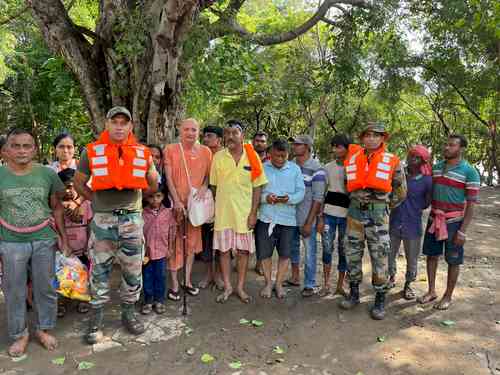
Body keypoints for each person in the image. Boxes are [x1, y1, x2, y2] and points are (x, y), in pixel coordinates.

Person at [74, 106, 158, 344]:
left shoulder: (143, 153)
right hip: (103, 220)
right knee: (99, 270)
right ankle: (96, 319)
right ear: (107, 125)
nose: (119, 127)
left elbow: (153, 184)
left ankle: (128, 314)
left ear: (130, 126)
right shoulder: (90, 152)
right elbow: (79, 182)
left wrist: (139, 194)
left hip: (131, 219)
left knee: (133, 269)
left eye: (124, 122)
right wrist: (95, 200)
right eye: (115, 122)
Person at [0, 128, 71, 357]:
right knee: (14, 290)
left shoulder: (47, 174)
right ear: (7, 150)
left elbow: (57, 207)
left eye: (26, 146)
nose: (21, 150)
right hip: (10, 241)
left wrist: (64, 238)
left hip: (43, 239)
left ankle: (43, 329)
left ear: (35, 149)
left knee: (45, 288)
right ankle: (20, 334)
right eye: (16, 146)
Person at [339, 122, 407, 320]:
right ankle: (354, 294)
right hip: (354, 215)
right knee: (351, 253)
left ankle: (379, 300)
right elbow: (347, 184)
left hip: (378, 217)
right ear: (362, 138)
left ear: (382, 138)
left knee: (380, 258)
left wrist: (383, 205)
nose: (371, 139)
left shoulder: (393, 161)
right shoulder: (352, 159)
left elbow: (401, 192)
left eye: (375, 135)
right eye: (367, 135)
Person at [417, 135, 479, 310]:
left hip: (454, 222)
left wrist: (463, 231)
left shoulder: (470, 171)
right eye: (445, 144)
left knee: (453, 260)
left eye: (451, 145)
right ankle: (431, 291)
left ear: (461, 149)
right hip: (433, 219)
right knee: (431, 255)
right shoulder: (436, 168)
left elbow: (471, 204)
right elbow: (428, 192)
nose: (446, 147)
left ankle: (447, 296)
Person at [210, 120, 267, 303]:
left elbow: (257, 187)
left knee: (243, 252)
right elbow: (213, 187)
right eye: (227, 133)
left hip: (244, 215)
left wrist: (253, 213)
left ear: (243, 135)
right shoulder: (218, 157)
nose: (231, 136)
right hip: (224, 215)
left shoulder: (252, 157)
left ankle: (240, 287)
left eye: (235, 133)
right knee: (224, 252)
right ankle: (227, 286)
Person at [164, 119, 212, 300]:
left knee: (191, 244)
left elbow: (208, 175)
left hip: (196, 207)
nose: (190, 133)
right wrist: (176, 201)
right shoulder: (170, 150)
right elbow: (168, 178)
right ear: (180, 131)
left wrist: (204, 186)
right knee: (175, 242)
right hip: (176, 205)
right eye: (186, 129)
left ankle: (187, 280)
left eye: (194, 130)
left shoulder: (206, 152)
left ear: (198, 132)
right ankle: (175, 284)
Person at [255, 139, 305, 299]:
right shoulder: (263, 168)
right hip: (266, 218)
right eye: (277, 156)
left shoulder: (295, 170)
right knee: (264, 253)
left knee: (285, 254)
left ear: (288, 155)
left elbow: (301, 193)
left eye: (284, 156)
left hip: (288, 220)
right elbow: (256, 192)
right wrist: (266, 198)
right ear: (270, 154)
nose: (280, 159)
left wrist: (288, 198)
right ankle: (268, 283)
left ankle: (279, 284)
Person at [388, 145, 432, 300]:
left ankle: (408, 285)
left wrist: (413, 207)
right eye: (411, 155)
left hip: (413, 225)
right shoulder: (398, 174)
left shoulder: (427, 181)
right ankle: (391, 278)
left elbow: (426, 203)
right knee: (389, 254)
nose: (412, 159)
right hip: (394, 221)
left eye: (417, 157)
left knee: (412, 258)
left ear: (423, 161)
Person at [285, 135, 326, 297]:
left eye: (298, 144)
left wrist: (310, 222)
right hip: (289, 217)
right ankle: (295, 277)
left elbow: (318, 197)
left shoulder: (317, 169)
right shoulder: (290, 166)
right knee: (292, 248)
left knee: (310, 251)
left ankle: (310, 283)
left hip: (306, 218)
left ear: (307, 147)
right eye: (293, 144)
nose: (294, 146)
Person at [57, 168, 93, 316]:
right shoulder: (57, 206)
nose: (69, 190)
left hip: (82, 248)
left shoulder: (85, 205)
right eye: (65, 186)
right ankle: (62, 302)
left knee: (83, 274)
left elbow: (90, 225)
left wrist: (89, 246)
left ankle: (82, 300)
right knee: (63, 277)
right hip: (65, 250)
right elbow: (55, 228)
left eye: (72, 186)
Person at [319, 134, 352, 297]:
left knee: (344, 250)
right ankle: (326, 284)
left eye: (338, 146)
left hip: (347, 216)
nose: (335, 150)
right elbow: (322, 193)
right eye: (333, 146)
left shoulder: (353, 167)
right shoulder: (327, 167)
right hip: (329, 214)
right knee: (326, 248)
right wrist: (320, 217)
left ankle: (340, 285)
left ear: (347, 148)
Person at [141, 190, 176, 315]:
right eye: (151, 197)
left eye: (158, 196)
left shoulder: (167, 213)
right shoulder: (142, 213)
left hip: (162, 251)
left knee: (160, 276)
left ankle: (159, 300)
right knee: (147, 277)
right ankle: (148, 301)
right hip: (146, 253)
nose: (155, 200)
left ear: (163, 197)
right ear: (146, 197)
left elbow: (172, 231)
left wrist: (170, 248)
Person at [199, 125, 224, 289]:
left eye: (209, 136)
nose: (205, 139)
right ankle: (209, 275)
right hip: (205, 204)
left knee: (222, 243)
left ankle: (220, 276)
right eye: (204, 136)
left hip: (224, 204)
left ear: (219, 139)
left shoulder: (226, 156)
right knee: (207, 241)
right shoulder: (201, 154)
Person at [252, 131, 269, 276]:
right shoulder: (247, 158)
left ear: (266, 144)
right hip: (246, 200)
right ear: (252, 142)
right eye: (257, 140)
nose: (259, 143)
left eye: (262, 141)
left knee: (261, 235)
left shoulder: (270, 161)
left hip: (264, 202)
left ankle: (259, 264)